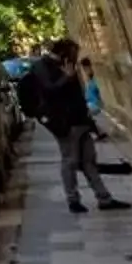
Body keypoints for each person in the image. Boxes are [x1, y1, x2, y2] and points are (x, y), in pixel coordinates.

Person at [37, 39, 124, 213]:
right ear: (64, 52)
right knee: (70, 161)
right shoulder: (44, 66)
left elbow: (77, 96)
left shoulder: (67, 65)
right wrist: (66, 78)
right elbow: (48, 92)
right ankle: (73, 200)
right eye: (73, 52)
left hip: (81, 121)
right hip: (65, 124)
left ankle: (104, 198)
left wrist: (91, 124)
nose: (76, 56)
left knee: (89, 161)